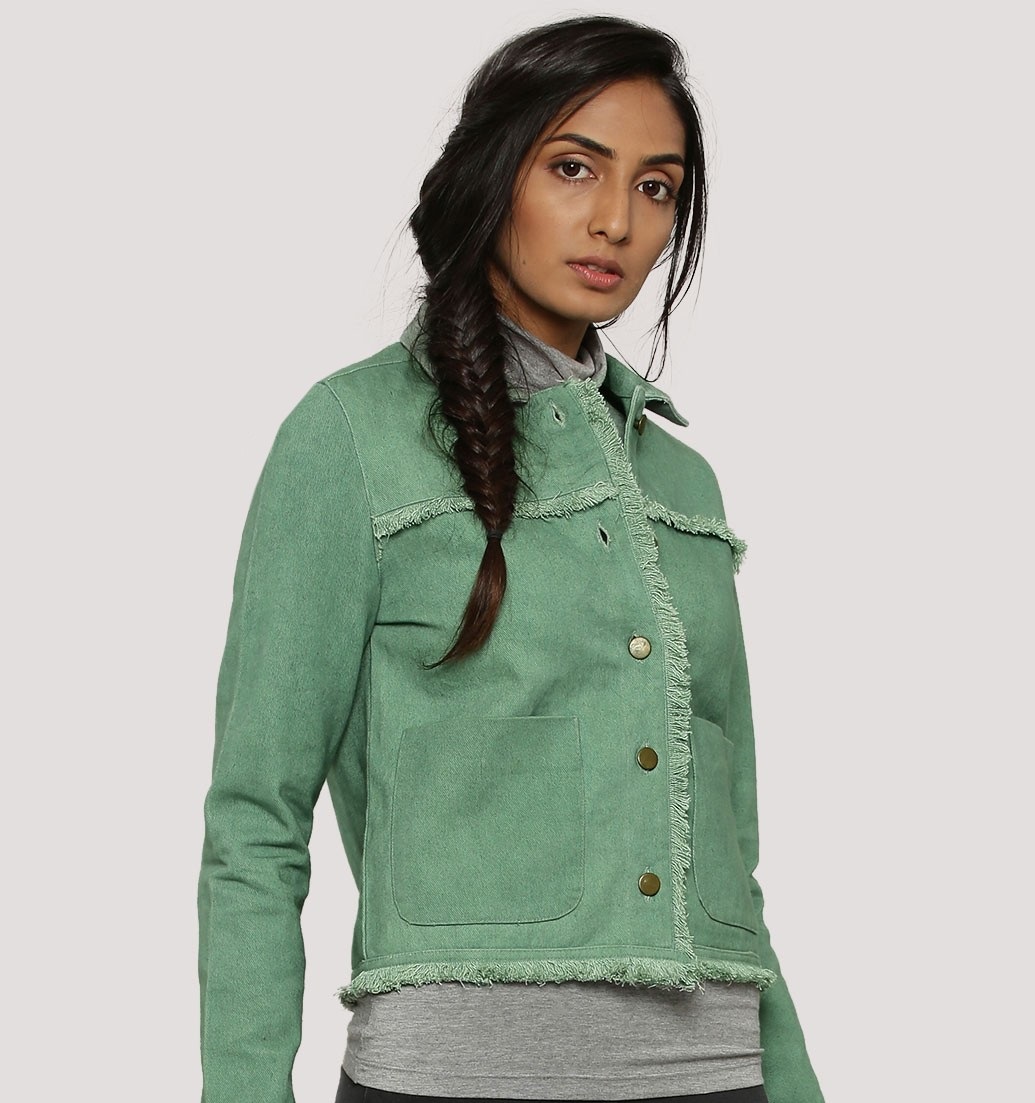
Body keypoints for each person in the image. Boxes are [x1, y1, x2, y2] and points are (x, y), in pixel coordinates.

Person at [197, 15, 825, 1103]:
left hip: (719, 1071)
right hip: (455, 1075)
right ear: (495, 174)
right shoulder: (349, 437)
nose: (616, 220)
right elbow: (256, 820)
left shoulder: (685, 483)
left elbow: (730, 850)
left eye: (657, 187)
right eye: (574, 167)